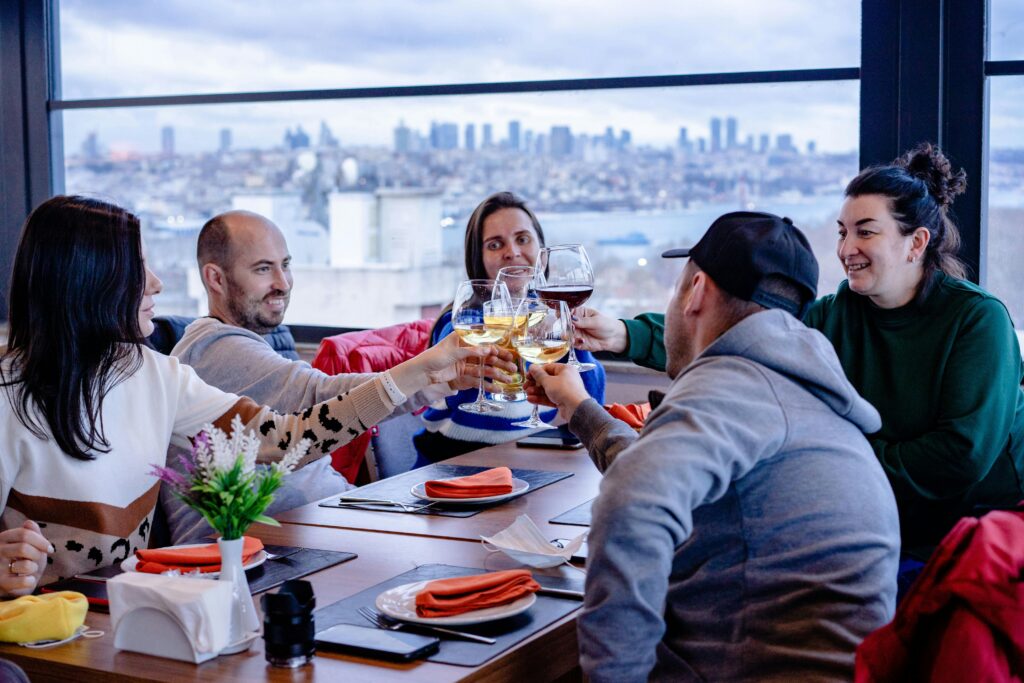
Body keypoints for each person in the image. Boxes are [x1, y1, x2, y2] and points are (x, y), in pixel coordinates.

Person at [0, 196, 504, 595]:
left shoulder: (154, 375)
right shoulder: (7, 397)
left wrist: (417, 375)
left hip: (126, 617)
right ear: (86, 281)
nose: (155, 283)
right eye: (137, 266)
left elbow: (288, 437)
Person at [574, 144, 1024, 559]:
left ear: (918, 242)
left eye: (865, 232)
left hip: (978, 538)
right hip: (870, 521)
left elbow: (958, 459)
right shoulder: (834, 314)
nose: (847, 250)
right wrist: (623, 335)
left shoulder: (977, 320)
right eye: (842, 232)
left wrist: (839, 459)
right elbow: (742, 336)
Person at [527, 211, 900, 681]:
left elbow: (632, 498)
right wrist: (578, 408)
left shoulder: (733, 381)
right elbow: (653, 475)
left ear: (697, 290)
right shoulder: (802, 391)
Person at [161, 210, 505, 544]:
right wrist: (426, 370)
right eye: (263, 269)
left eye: (286, 265)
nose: (282, 283)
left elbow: (330, 405)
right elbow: (322, 397)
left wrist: (436, 381)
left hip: (319, 525)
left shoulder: (246, 344)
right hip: (262, 547)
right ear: (215, 279)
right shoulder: (214, 348)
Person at [413, 191, 605, 462]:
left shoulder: (551, 319)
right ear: (478, 258)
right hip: (455, 467)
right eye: (495, 245)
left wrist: (574, 335)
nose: (512, 252)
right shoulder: (464, 323)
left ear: (542, 252)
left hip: (534, 464)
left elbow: (593, 401)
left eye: (523, 239)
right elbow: (479, 399)